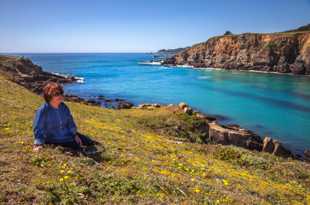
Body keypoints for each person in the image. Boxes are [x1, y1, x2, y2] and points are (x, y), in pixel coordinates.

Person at [32, 82, 96, 152]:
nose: (60, 96)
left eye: (61, 93)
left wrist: (75, 135)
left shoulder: (64, 107)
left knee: (90, 142)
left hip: (68, 135)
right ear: (49, 95)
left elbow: (70, 122)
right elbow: (38, 128)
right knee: (79, 149)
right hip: (55, 139)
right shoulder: (43, 110)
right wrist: (38, 144)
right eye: (56, 94)